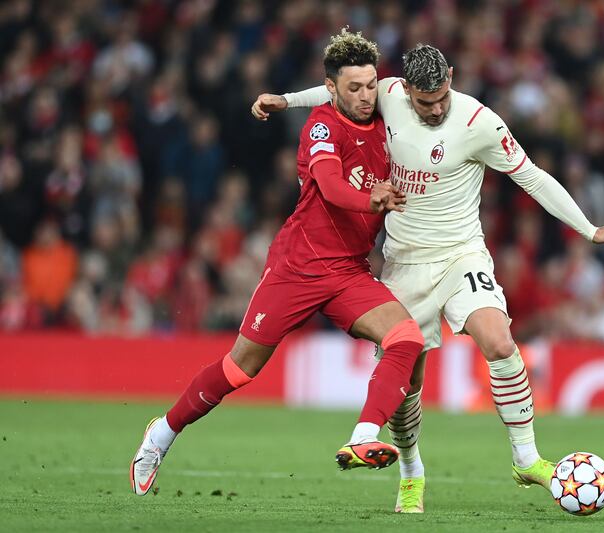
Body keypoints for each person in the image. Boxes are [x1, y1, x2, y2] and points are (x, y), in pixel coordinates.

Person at [252, 44, 604, 513]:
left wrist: (590, 229)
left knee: (498, 340)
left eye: (442, 97)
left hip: (461, 254)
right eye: (424, 101)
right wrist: (285, 101)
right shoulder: (386, 93)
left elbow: (533, 177)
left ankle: (526, 458)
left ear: (451, 77)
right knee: (407, 380)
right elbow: (331, 94)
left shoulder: (480, 123)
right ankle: (411, 469)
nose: (435, 109)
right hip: (403, 263)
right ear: (405, 88)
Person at [130, 29, 424, 496]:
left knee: (406, 339)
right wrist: (374, 201)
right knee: (240, 369)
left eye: (371, 85)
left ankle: (364, 437)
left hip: (348, 271)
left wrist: (285, 99)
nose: (366, 96)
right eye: (354, 88)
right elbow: (329, 186)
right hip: (298, 266)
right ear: (331, 89)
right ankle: (161, 435)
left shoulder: (386, 110)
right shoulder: (323, 127)